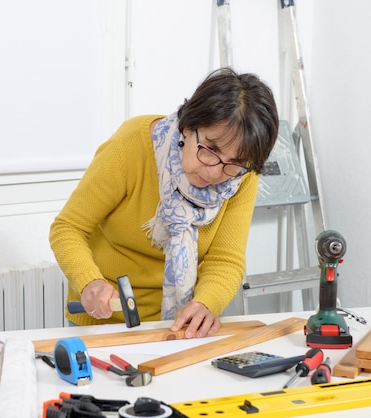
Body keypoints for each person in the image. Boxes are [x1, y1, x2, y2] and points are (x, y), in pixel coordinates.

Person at [49, 67, 279, 338]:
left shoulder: (240, 176)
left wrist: (206, 304)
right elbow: (68, 228)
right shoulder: (131, 145)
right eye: (210, 150)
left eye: (234, 164)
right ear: (188, 124)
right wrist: (90, 281)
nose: (214, 172)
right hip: (105, 321)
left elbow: (225, 260)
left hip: (179, 328)